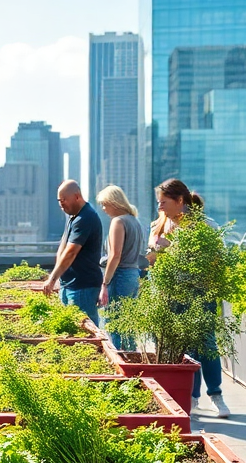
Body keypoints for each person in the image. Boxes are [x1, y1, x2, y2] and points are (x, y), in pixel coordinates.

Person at [149, 178, 225, 416]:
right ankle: (191, 397)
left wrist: (170, 247)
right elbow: (151, 263)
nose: (159, 207)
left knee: (206, 343)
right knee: (185, 347)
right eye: (158, 202)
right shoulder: (158, 226)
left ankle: (216, 395)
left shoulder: (206, 226)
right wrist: (156, 250)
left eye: (163, 202)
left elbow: (219, 259)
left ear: (180, 201)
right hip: (170, 294)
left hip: (201, 293)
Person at [42, 180, 104, 326]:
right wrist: (57, 278)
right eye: (59, 200)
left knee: (84, 332)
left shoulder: (85, 217)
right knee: (70, 329)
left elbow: (70, 252)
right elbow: (63, 247)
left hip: (82, 286)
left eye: (64, 200)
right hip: (69, 284)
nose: (61, 204)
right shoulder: (73, 217)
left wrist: (51, 279)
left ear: (77, 196)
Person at [96, 184, 145, 349]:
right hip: (132, 274)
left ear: (114, 202)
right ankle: (131, 360)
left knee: (114, 323)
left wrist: (105, 283)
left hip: (119, 275)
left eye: (105, 203)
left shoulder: (118, 221)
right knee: (127, 324)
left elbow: (115, 255)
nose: (103, 208)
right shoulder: (134, 221)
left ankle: (121, 364)